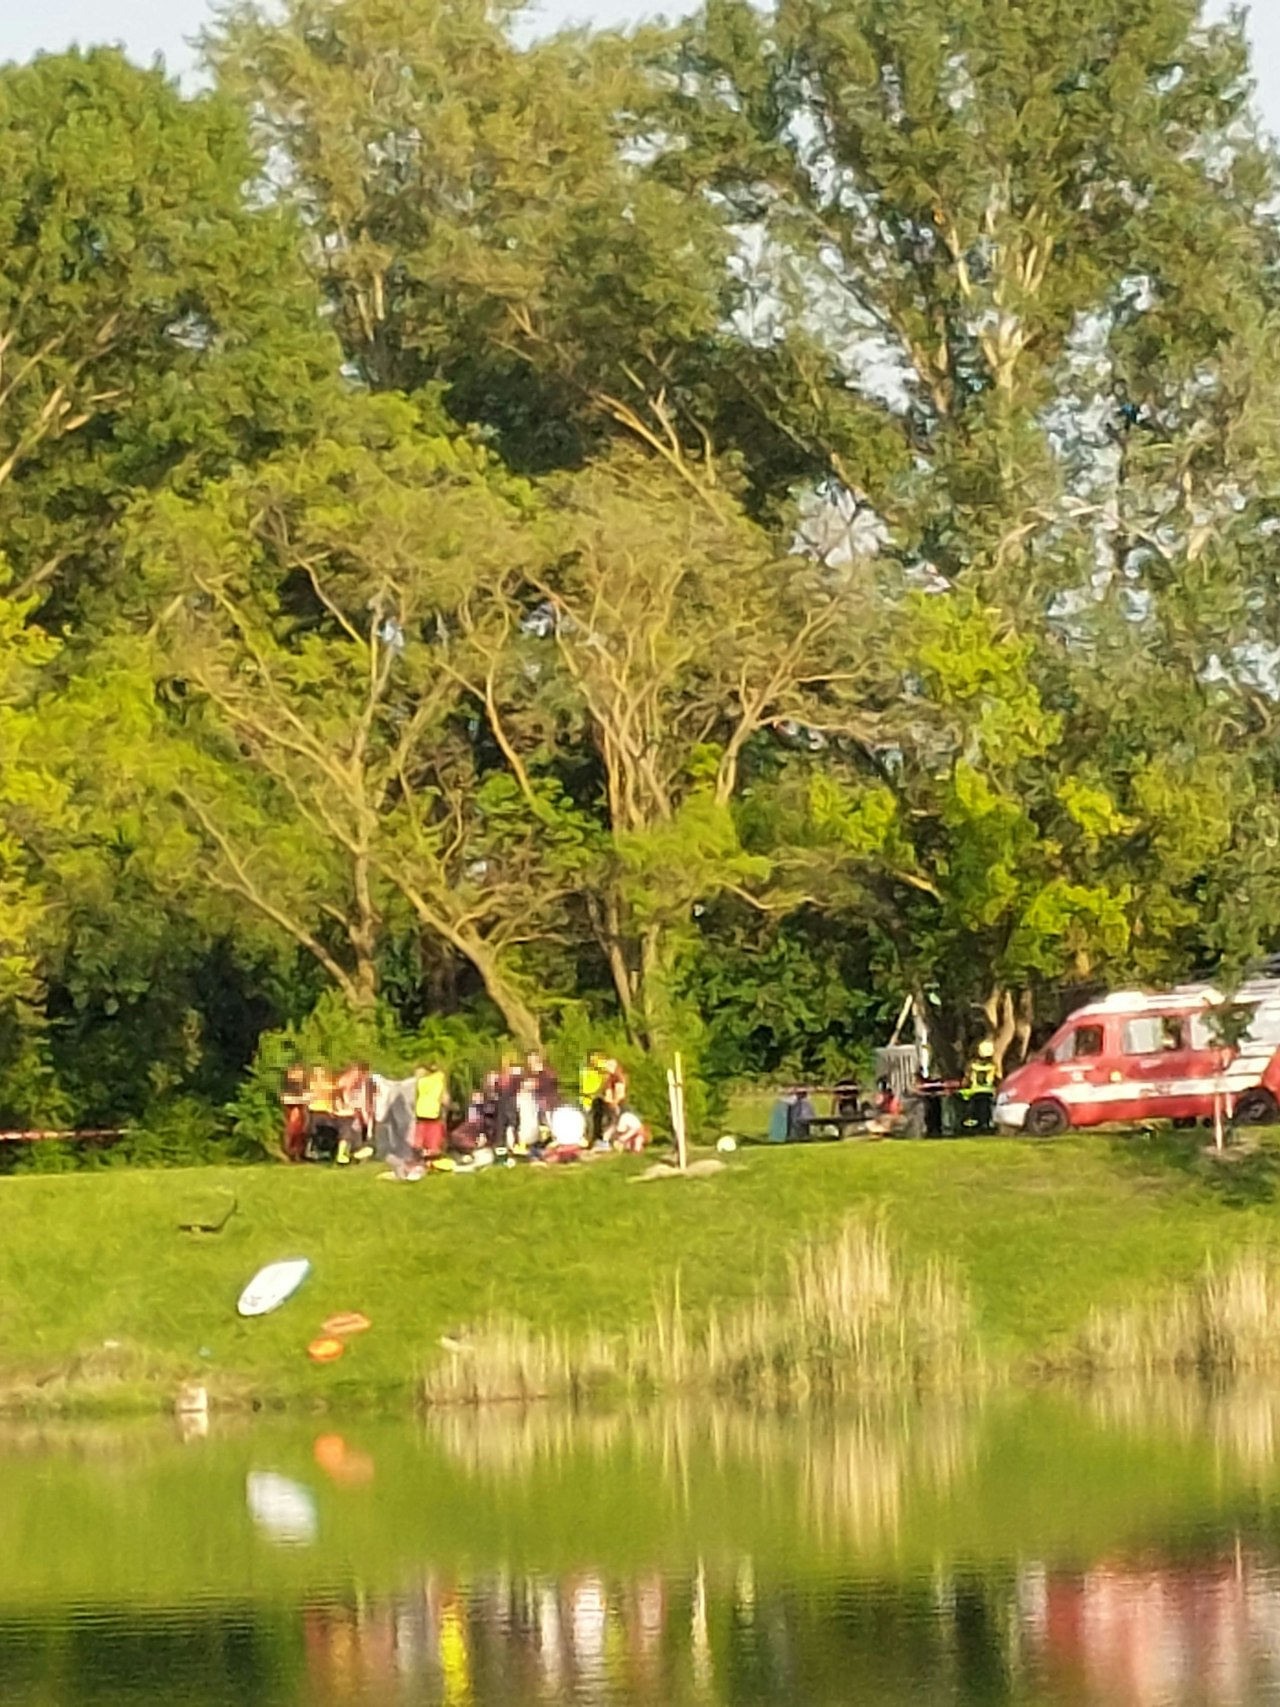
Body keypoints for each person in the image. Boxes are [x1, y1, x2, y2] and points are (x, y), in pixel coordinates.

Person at [959, 1040, 997, 1134]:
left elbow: (966, 1080)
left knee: (973, 1112)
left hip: (975, 1092)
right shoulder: (993, 1066)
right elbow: (997, 1078)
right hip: (988, 1092)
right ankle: (986, 1125)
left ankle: (973, 1126)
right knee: (987, 1111)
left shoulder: (972, 1066)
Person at [414, 1063, 450, 1157]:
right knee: (431, 1133)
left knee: (425, 1132)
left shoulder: (424, 1078)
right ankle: (431, 1150)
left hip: (426, 1110)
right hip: (429, 1111)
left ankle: (425, 1150)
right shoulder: (438, 1077)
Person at [281, 1065, 310, 1162]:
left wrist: (300, 1100)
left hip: (301, 1111)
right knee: (291, 1131)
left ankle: (299, 1153)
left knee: (302, 1132)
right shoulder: (287, 1086)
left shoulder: (304, 1085)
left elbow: (308, 1098)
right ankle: (290, 1152)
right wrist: (299, 1100)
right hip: (291, 1112)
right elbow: (285, 1099)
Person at [580, 1052, 608, 1145]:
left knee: (600, 1121)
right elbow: (584, 1089)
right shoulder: (586, 1072)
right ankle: (590, 1140)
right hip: (588, 1101)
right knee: (590, 1122)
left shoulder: (602, 1073)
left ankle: (599, 1139)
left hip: (600, 1101)